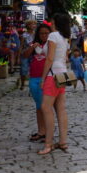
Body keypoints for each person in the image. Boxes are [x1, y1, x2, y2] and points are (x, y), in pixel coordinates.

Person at [39, 13, 72, 155]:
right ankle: (63, 141)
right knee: (61, 109)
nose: (50, 24)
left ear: (56, 22)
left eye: (52, 21)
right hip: (63, 73)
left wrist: (42, 77)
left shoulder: (53, 36)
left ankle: (48, 143)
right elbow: (64, 57)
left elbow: (50, 58)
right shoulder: (64, 37)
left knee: (46, 108)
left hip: (53, 75)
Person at [24, 22, 51, 142]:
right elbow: (24, 55)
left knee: (45, 106)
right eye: (41, 33)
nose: (44, 35)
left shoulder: (51, 45)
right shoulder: (35, 44)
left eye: (46, 33)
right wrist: (32, 47)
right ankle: (41, 131)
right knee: (38, 106)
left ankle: (47, 132)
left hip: (46, 78)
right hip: (34, 77)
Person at [18, 19, 36, 90]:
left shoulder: (36, 34)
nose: (33, 25)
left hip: (33, 54)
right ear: (27, 25)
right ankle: (22, 83)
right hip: (24, 54)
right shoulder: (24, 35)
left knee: (33, 70)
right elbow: (21, 46)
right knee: (23, 70)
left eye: (34, 24)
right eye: (31, 24)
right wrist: (18, 57)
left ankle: (32, 84)